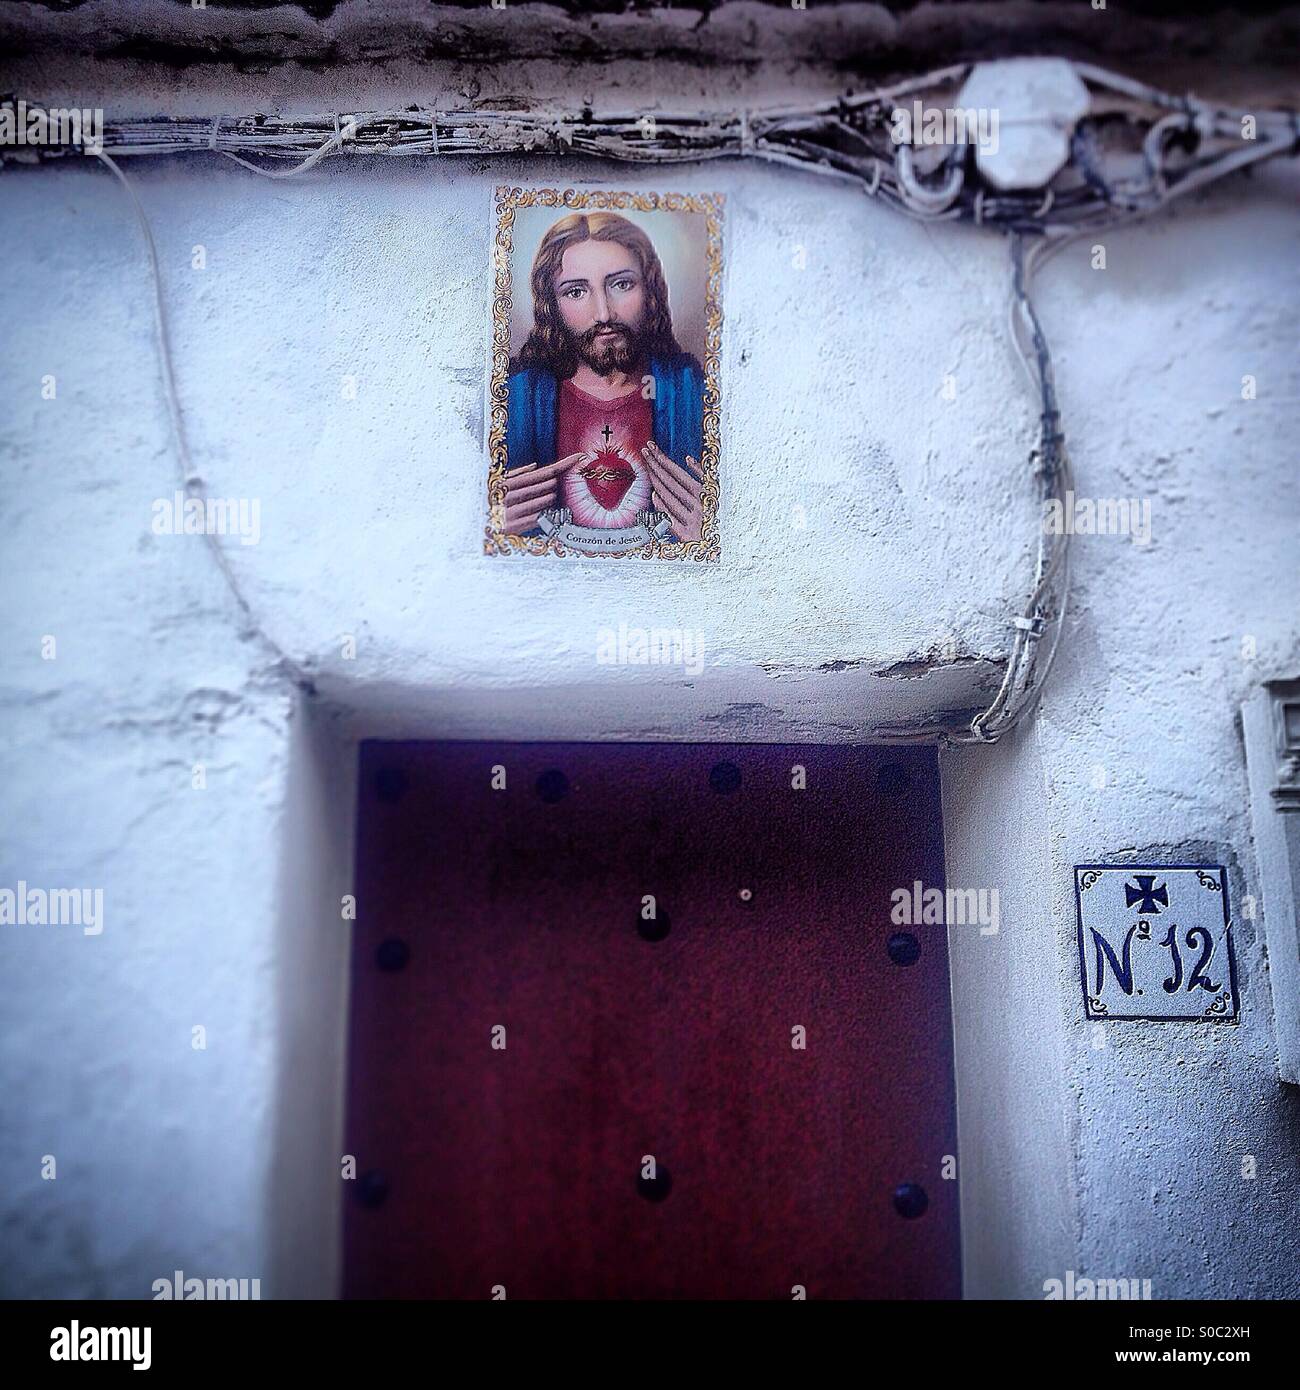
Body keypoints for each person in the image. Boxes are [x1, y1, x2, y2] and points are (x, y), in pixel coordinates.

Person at [503, 211, 705, 541]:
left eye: (621, 284)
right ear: (552, 304)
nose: (604, 313)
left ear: (650, 289)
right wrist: (494, 527)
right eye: (576, 291)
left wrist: (711, 531)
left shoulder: (693, 392)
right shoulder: (517, 397)